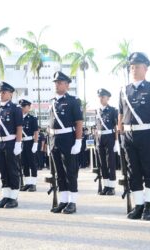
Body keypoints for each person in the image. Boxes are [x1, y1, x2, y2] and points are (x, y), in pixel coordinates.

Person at [118, 52, 150, 221]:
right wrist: (121, 135)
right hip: (129, 134)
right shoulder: (124, 90)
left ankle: (149, 205)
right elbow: (120, 114)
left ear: (145, 68)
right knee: (133, 171)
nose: (134, 70)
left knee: (149, 170)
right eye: (131, 67)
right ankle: (138, 205)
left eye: (137, 67)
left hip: (146, 134)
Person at [49, 71, 83, 214]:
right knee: (59, 173)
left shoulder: (73, 101)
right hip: (54, 140)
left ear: (67, 85)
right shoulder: (52, 102)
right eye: (56, 82)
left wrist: (78, 141)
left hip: (68, 139)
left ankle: (72, 202)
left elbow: (79, 122)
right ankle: (63, 200)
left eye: (60, 82)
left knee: (70, 171)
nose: (57, 85)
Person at [0, 82, 23, 209]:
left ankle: (13, 197)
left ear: (10, 94)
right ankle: (5, 195)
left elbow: (19, 128)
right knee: (2, 170)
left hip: (11, 142)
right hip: (0, 143)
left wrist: (18, 143)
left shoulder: (16, 108)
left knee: (12, 170)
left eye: (4, 92)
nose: (1, 94)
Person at [95, 88, 119, 196]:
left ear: (108, 98)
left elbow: (116, 126)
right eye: (99, 97)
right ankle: (106, 185)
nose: (101, 99)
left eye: (103, 97)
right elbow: (96, 127)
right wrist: (96, 140)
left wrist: (117, 141)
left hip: (110, 136)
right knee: (102, 163)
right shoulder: (97, 111)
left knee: (111, 162)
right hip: (100, 138)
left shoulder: (113, 110)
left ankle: (112, 186)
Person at [19, 99, 39, 192]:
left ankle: (33, 184)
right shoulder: (18, 118)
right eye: (21, 106)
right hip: (22, 143)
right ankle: (27, 183)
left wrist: (35, 143)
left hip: (30, 142)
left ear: (29, 107)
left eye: (24, 106)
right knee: (24, 163)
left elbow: (36, 132)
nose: (22, 108)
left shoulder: (32, 118)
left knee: (32, 163)